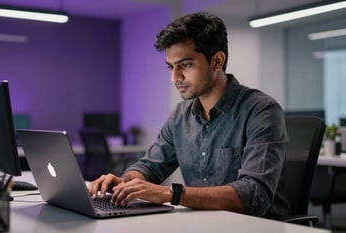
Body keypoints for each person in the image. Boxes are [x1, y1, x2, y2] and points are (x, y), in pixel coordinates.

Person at [88, 12, 290, 219]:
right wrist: (127, 181)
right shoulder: (180, 116)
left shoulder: (261, 110)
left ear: (217, 61)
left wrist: (169, 193)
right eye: (171, 67)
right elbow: (151, 166)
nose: (175, 78)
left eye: (185, 65)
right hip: (203, 223)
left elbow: (254, 195)